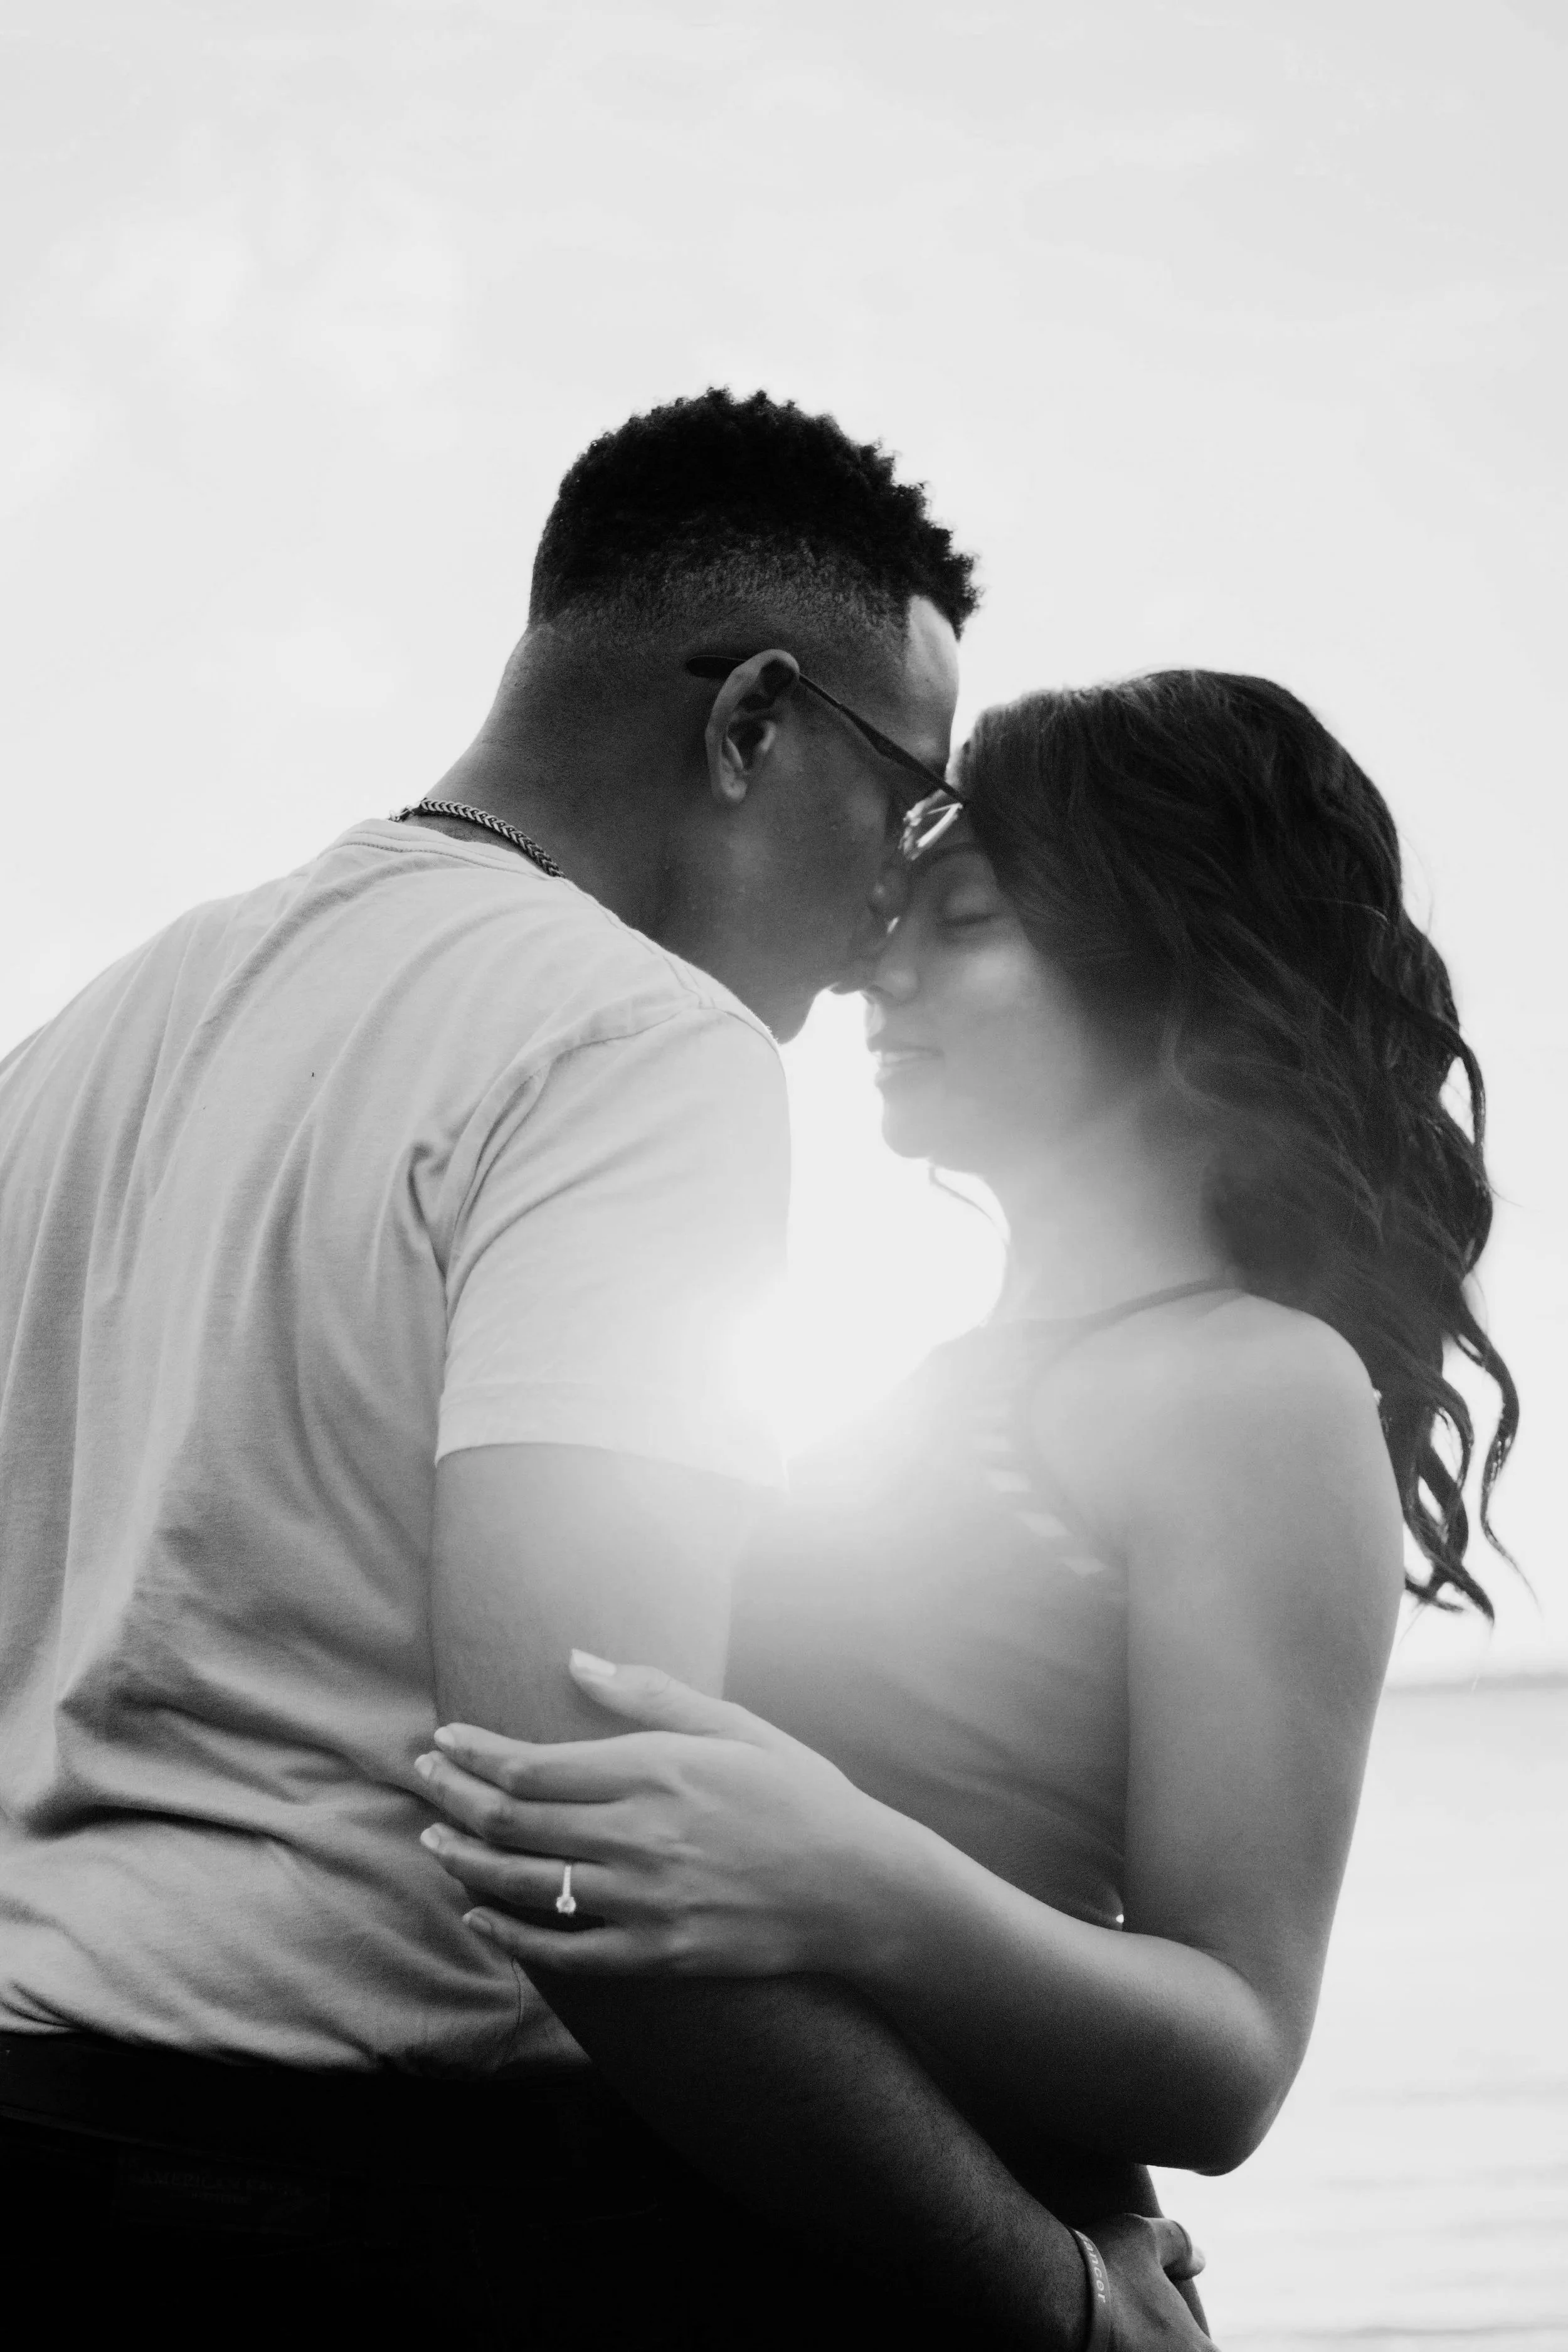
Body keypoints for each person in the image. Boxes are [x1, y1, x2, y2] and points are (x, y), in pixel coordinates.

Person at [0, 391, 1208, 2348]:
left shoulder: (80, 1044)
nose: (899, 901)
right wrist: (1057, 2296)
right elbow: (583, 1851)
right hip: (341, 2224)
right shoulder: (633, 1044)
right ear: (747, 724)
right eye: (906, 802)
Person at [417, 669, 1518, 2275]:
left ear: (1182, 993)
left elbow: (1230, 2056)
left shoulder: (1250, 1386)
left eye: (969, 922)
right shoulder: (928, 1388)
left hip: (980, 2272)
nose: (883, 978)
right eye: (896, 921)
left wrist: (851, 1876)